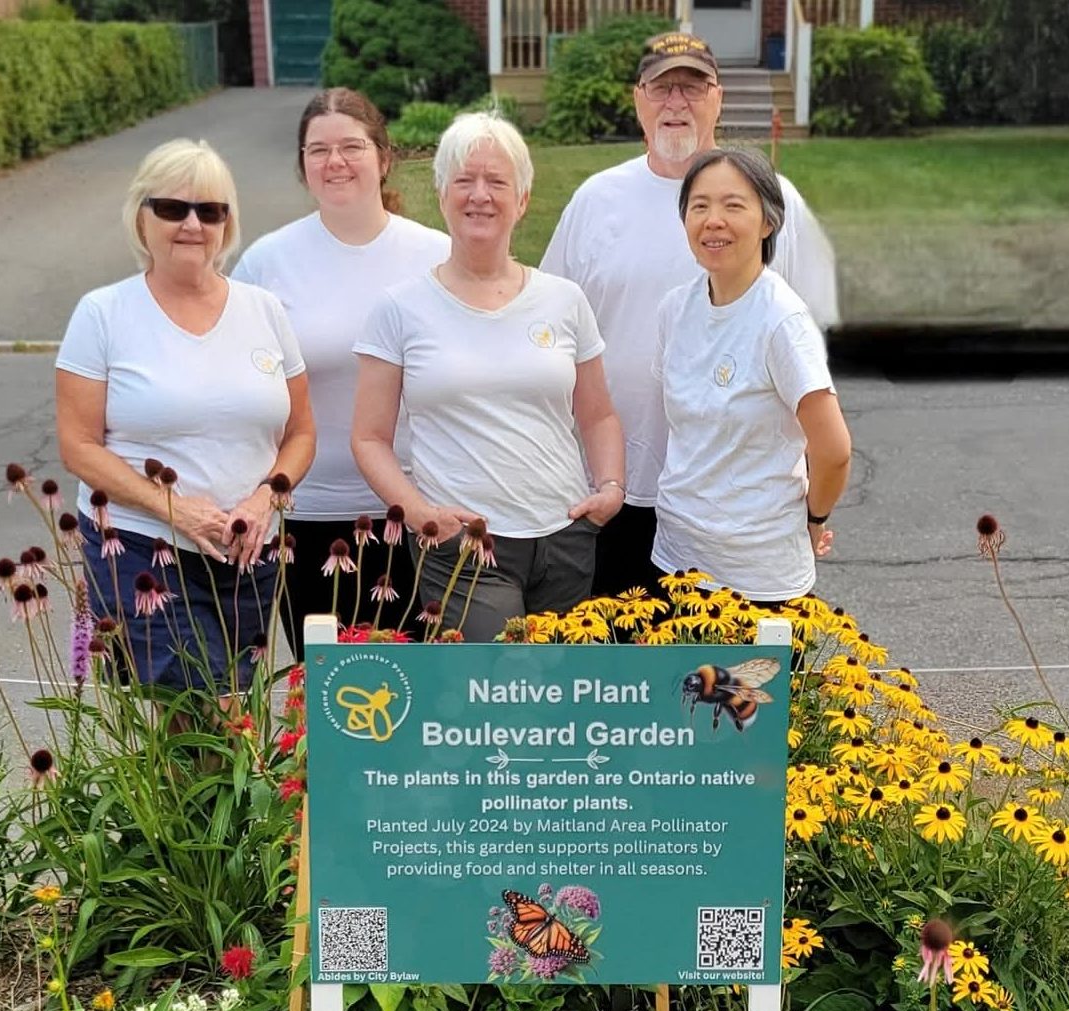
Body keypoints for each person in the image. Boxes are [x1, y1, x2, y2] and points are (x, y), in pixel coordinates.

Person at [541, 30, 840, 598]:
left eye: (693, 88)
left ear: (718, 99)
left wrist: (816, 493)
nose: (675, 103)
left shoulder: (777, 200)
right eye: (661, 88)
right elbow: (553, 336)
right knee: (622, 671)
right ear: (638, 100)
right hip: (611, 485)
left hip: (735, 510)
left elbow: (806, 352)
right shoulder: (595, 201)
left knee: (723, 684)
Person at [349, 113, 626, 642]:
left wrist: (609, 489)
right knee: (497, 701)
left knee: (558, 703)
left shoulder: (564, 300)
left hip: (564, 535)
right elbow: (369, 437)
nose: (480, 195)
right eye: (464, 180)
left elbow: (598, 414)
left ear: (522, 199)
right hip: (463, 544)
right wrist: (420, 514)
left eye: (497, 181)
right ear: (441, 194)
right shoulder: (399, 309)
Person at [56, 138, 315, 693]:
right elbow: (78, 446)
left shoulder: (264, 311)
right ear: (141, 217)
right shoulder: (103, 314)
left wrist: (263, 499)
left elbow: (301, 432)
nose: (192, 224)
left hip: (247, 550)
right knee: (200, 717)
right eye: (173, 209)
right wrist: (173, 509)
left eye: (210, 210)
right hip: (144, 547)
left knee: (237, 707)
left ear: (228, 222)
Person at [232, 88, 449, 655]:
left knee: (422, 699)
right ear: (302, 166)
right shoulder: (266, 262)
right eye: (318, 149)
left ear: (383, 156)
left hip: (420, 513)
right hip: (310, 517)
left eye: (351, 146)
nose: (335, 162)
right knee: (330, 708)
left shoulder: (436, 256)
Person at [652, 146, 851, 604]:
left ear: (768, 222)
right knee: (680, 680)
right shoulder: (674, 311)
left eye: (733, 205)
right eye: (699, 206)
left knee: (745, 681)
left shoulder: (781, 321)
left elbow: (834, 451)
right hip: (674, 562)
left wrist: (813, 518)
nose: (713, 220)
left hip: (759, 578)